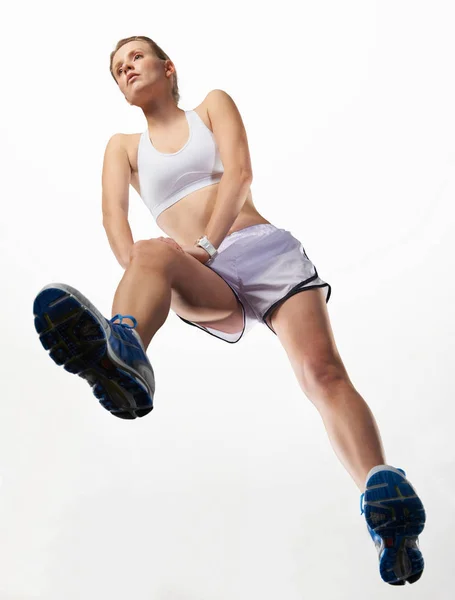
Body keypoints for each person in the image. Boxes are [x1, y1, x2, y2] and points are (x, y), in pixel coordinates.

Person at [32, 35, 426, 585]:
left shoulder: (212, 105)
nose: (126, 69)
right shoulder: (122, 147)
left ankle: (383, 504)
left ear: (168, 68)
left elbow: (238, 175)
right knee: (148, 251)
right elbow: (114, 220)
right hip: (198, 273)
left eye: (136, 58)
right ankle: (123, 358)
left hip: (260, 249)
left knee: (323, 373)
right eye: (117, 69)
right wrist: (146, 272)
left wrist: (207, 247)